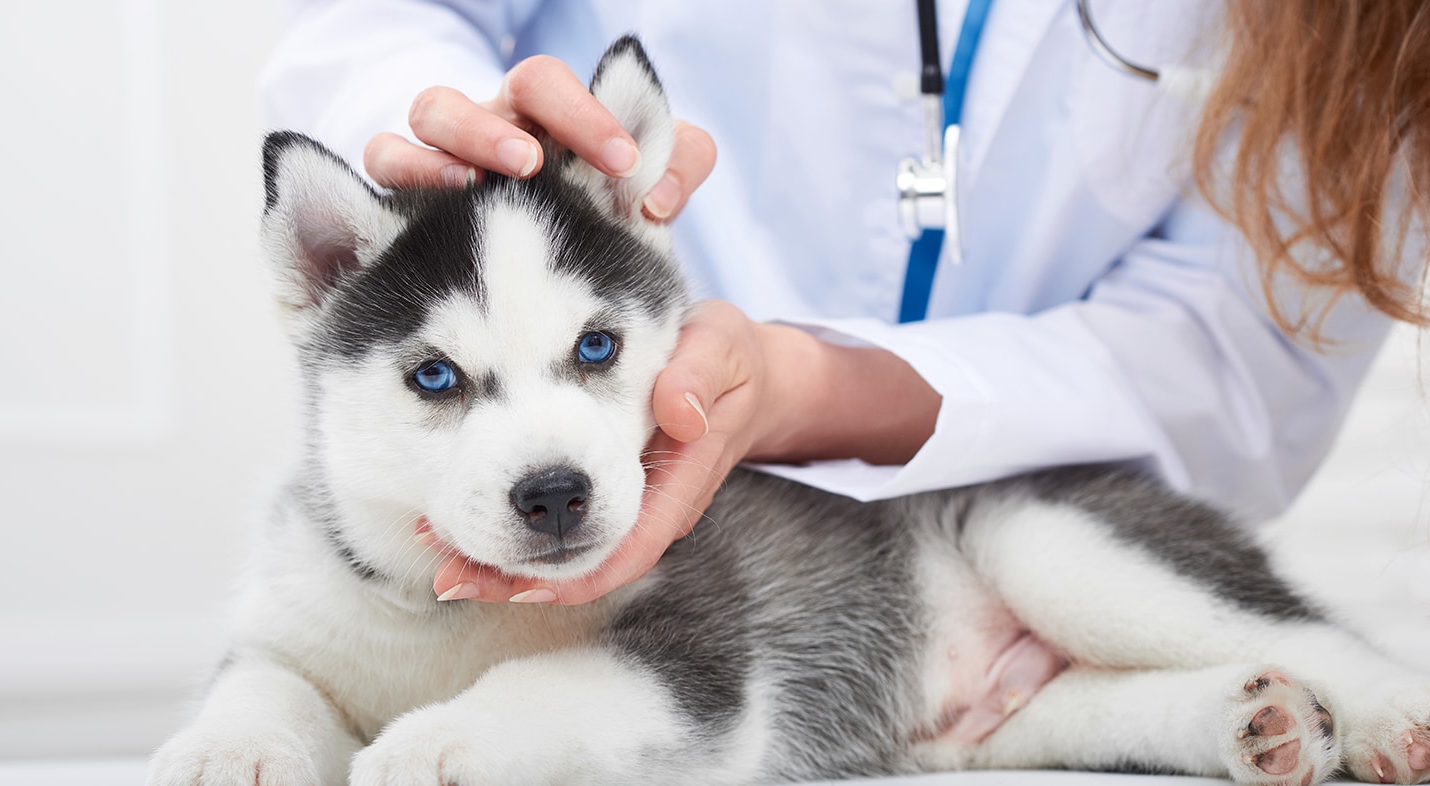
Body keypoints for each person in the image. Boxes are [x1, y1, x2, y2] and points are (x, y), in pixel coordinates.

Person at [259, 0, 1429, 606]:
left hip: (1029, 575)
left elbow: (1239, 359)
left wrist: (811, 387)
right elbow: (372, 20)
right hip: (594, 573)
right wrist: (470, 164)